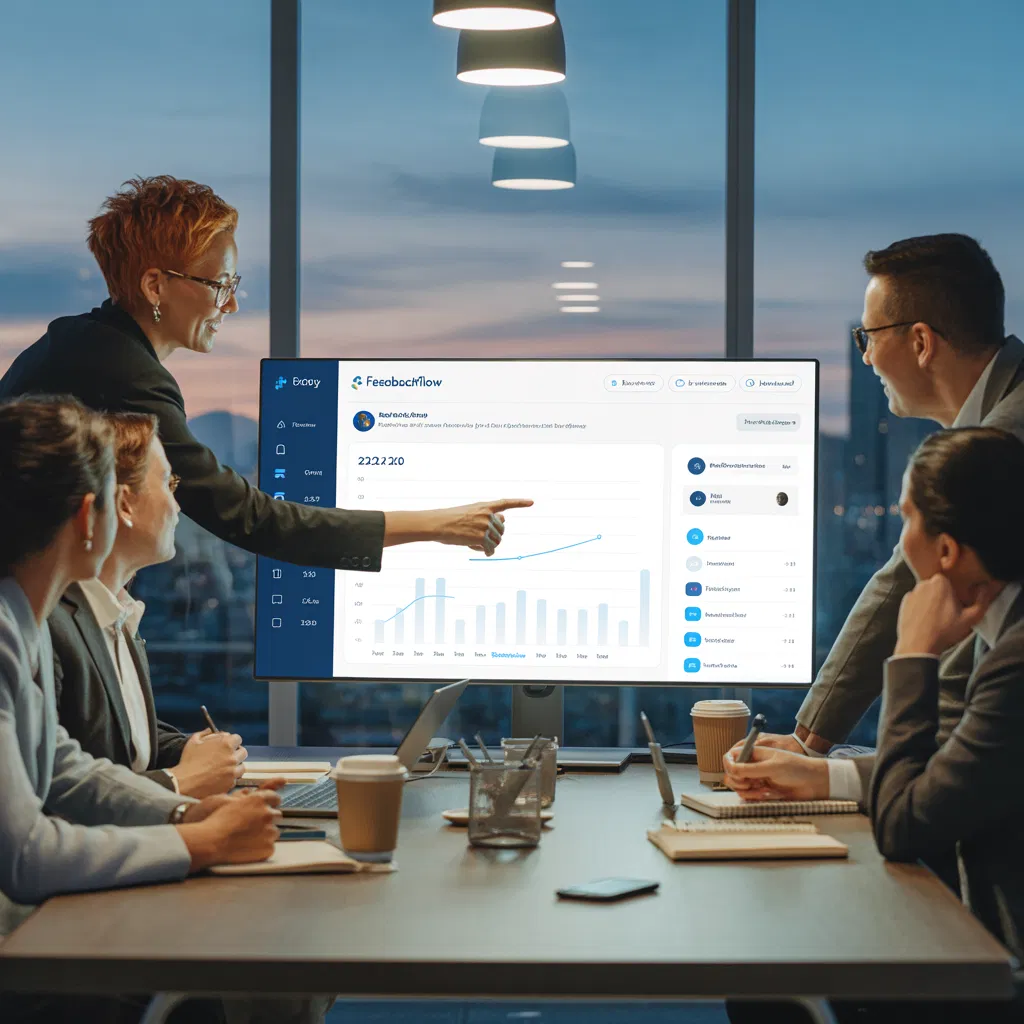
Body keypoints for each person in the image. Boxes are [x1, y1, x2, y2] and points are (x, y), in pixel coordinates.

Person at [0, 175, 532, 575]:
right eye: (220, 285)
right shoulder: (123, 372)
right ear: (155, 285)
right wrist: (436, 524)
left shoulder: (85, 345)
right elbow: (246, 515)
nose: (230, 305)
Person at [725, 427, 1024, 1024]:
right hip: (985, 945)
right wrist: (820, 776)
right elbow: (955, 776)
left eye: (907, 519)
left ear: (946, 551)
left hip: (1001, 970)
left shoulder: (1014, 662)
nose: (899, 538)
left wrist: (913, 653)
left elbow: (904, 825)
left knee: (770, 974)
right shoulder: (1005, 637)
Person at [0, 396, 283, 1023]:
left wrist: (185, 811)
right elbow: (24, 857)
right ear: (90, 514)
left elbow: (66, 769)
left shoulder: (21, 621)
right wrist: (199, 841)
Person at [752, 234, 1024, 758]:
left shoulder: (1001, 447)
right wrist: (809, 742)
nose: (867, 357)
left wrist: (838, 770)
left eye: (868, 337)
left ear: (921, 343)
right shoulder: (989, 426)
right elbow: (902, 579)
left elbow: (961, 654)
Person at [50, 412, 244, 798]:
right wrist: (182, 780)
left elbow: (124, 739)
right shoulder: (48, 623)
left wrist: (195, 752)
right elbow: (58, 790)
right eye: (168, 484)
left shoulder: (117, 612)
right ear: (124, 503)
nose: (177, 507)